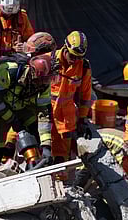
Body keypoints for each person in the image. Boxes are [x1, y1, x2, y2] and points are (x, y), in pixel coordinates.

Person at [0, 53, 55, 178]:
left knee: (34, 133)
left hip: (20, 107)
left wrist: (46, 145)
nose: (46, 83)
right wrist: (12, 120)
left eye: (49, 79)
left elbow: (44, 113)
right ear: (34, 74)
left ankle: (34, 165)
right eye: (45, 79)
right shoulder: (8, 72)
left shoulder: (42, 84)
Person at [51, 31, 92, 165]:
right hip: (47, 117)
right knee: (43, 154)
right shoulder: (48, 61)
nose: (74, 60)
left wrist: (82, 119)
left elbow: (86, 95)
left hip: (66, 121)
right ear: (64, 47)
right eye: (72, 56)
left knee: (62, 158)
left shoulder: (83, 67)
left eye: (78, 58)